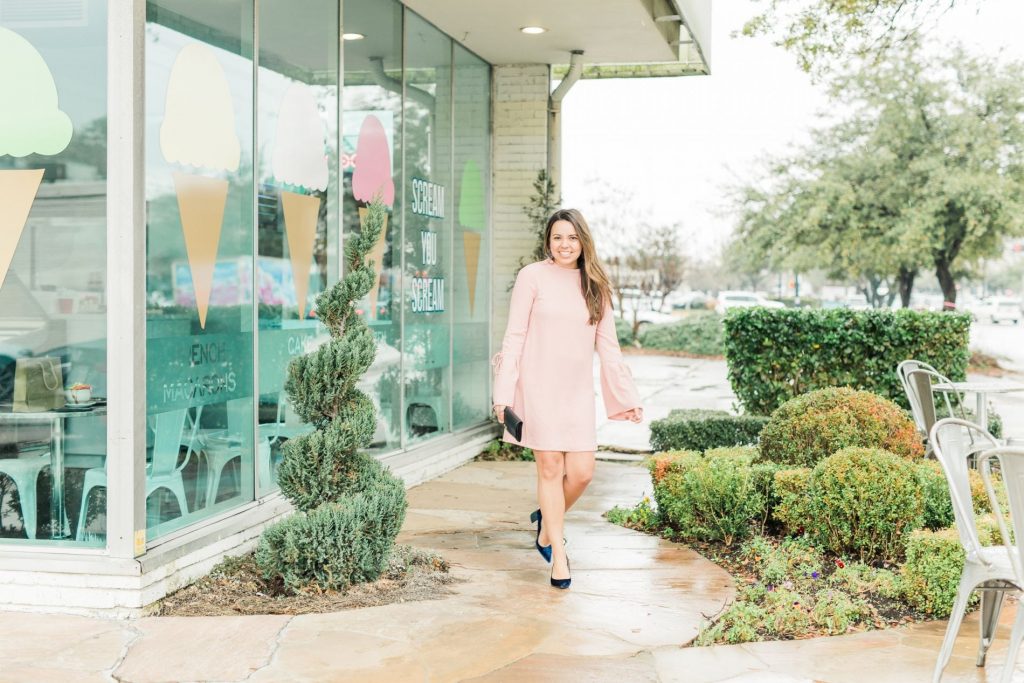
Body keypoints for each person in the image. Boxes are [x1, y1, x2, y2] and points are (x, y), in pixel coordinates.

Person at [491, 208, 643, 589]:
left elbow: (609, 347)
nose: (565, 244)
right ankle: (559, 555)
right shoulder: (532, 277)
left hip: (576, 392)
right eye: (558, 237)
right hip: (537, 387)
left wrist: (627, 397)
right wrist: (503, 394)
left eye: (572, 237)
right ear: (548, 241)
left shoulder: (596, 285)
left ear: (583, 242)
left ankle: (545, 527)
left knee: (581, 474)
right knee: (549, 469)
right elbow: (514, 337)